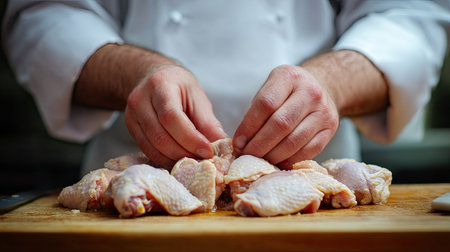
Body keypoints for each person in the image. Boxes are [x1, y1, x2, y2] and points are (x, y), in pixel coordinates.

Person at [2, 0, 450, 174]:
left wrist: (333, 80)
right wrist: (134, 71)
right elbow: (44, 14)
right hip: (138, 184)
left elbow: (408, 12)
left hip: (313, 179)